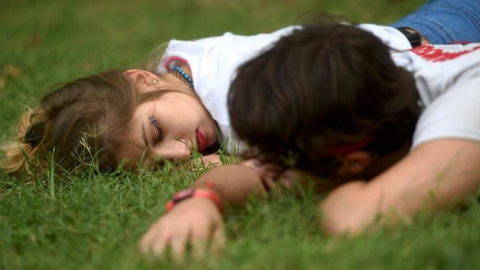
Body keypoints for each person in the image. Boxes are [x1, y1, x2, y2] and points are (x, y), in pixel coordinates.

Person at [1, 0, 479, 175]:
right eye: (155, 163)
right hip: (425, 31)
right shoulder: (180, 66)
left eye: (157, 133)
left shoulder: (231, 93)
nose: (178, 153)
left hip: (447, 37)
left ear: (143, 80)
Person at [138, 23, 480, 258]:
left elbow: (352, 218)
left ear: (354, 163)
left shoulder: (464, 108)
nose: (268, 171)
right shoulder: (369, 82)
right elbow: (251, 175)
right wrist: (199, 199)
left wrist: (318, 184)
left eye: (285, 163)